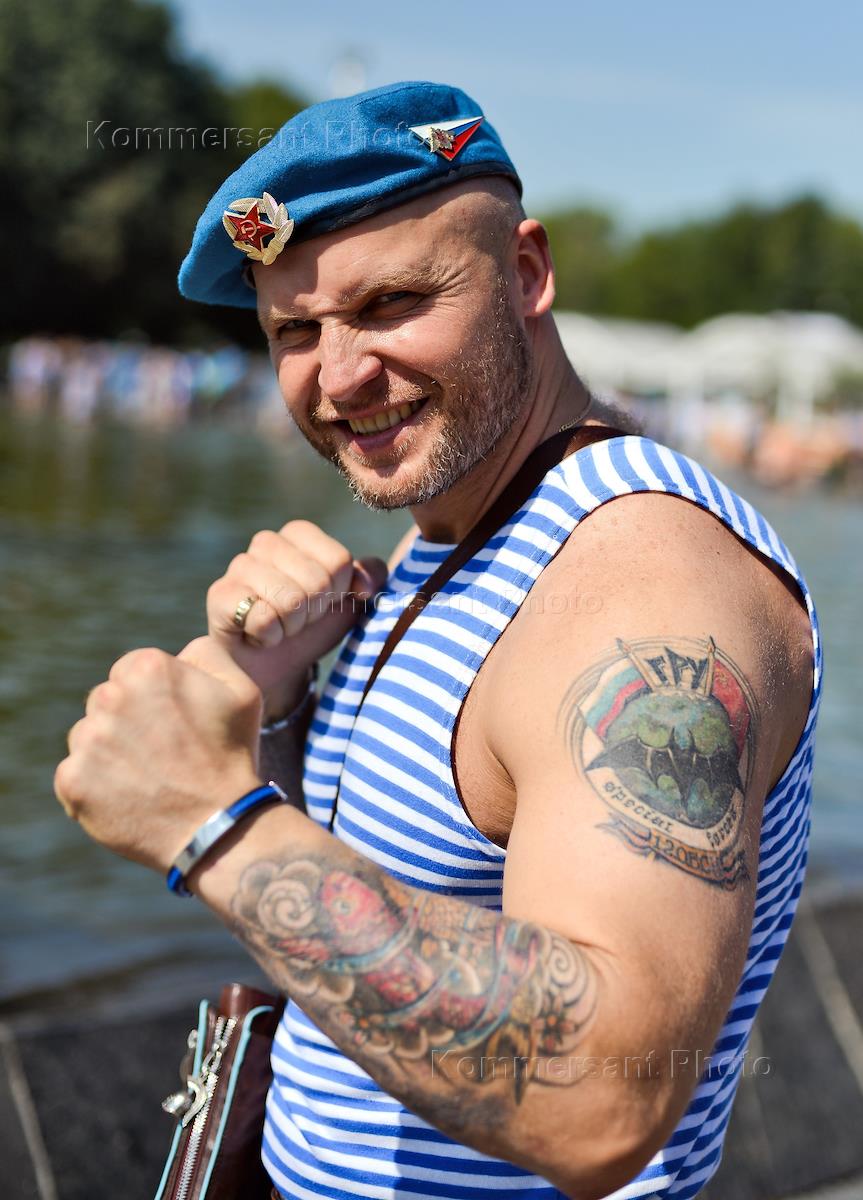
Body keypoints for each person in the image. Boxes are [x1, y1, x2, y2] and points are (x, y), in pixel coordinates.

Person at [55, 82, 821, 1200]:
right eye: (294, 331)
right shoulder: (458, 526)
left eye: (391, 303)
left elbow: (600, 1091)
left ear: (525, 273)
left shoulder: (642, 589)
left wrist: (209, 826)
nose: (339, 375)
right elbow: (404, 876)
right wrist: (276, 710)